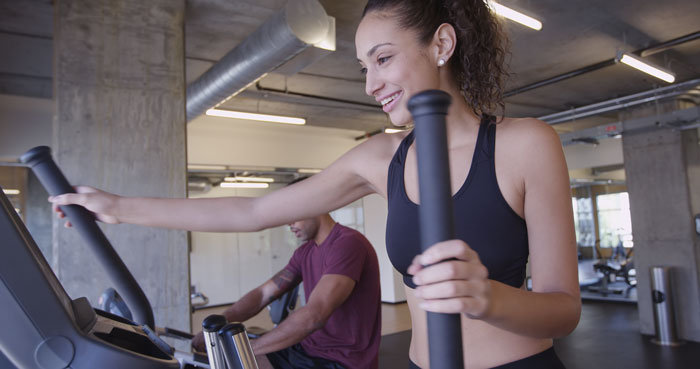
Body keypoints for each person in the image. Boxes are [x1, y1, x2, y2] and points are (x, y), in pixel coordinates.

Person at [51, 0, 581, 367]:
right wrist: (118, 207)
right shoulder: (381, 157)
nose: (371, 84)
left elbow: (564, 309)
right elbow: (252, 213)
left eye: (383, 58)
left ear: (442, 43)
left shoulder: (525, 144)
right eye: (363, 68)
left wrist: (486, 296)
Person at [190, 196, 382, 369]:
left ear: (317, 206)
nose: (289, 224)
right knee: (233, 363)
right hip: (306, 349)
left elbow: (315, 315)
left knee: (241, 358)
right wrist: (219, 324)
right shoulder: (305, 252)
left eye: (293, 215)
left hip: (342, 361)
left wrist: (247, 348)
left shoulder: (347, 244)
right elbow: (262, 295)